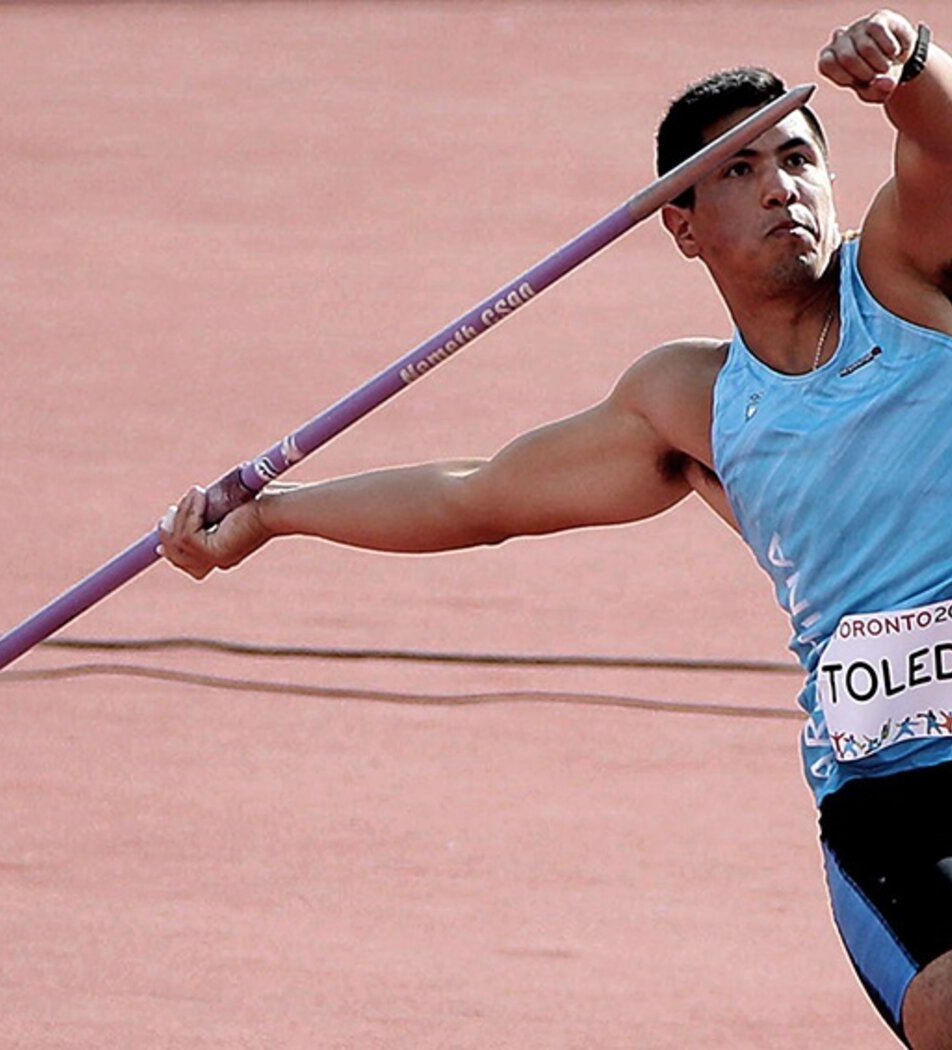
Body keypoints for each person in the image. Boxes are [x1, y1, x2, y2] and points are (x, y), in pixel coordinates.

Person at [159, 10, 952, 1048]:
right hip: (886, 801)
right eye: (742, 169)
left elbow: (940, 146)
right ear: (681, 223)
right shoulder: (691, 402)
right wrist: (269, 517)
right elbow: (474, 498)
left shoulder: (902, 279)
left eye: (798, 158)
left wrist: (912, 65)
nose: (780, 187)